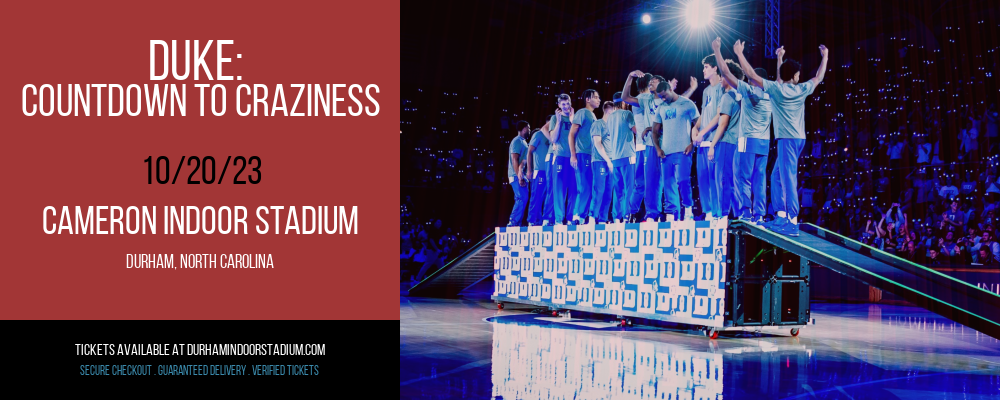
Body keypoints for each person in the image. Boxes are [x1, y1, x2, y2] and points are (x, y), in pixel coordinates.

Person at [735, 42, 829, 236]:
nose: (799, 76)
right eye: (797, 74)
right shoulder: (801, 89)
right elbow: (818, 77)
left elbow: (752, 75)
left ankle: (792, 221)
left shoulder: (776, 90)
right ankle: (781, 216)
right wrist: (825, 56)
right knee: (776, 176)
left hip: (787, 140)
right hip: (797, 139)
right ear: (794, 76)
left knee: (787, 179)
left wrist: (739, 54)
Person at [714, 38, 772, 225]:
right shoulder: (772, 94)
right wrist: (779, 60)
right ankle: (759, 214)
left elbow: (725, 72)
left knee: (742, 178)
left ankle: (746, 213)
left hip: (747, 141)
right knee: (760, 179)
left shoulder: (749, 90)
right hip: (764, 143)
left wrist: (717, 50)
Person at [702, 52, 744, 220]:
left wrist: (712, 145)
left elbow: (723, 123)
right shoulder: (740, 95)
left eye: (724, 75)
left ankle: (723, 215)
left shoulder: (728, 96)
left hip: (726, 143)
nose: (720, 78)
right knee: (734, 181)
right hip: (737, 143)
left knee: (723, 180)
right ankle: (739, 214)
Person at [650, 81, 700, 221]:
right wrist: (658, 149)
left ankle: (688, 210)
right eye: (661, 97)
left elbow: (699, 126)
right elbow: (654, 131)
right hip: (666, 152)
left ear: (671, 89)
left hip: (683, 150)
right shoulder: (661, 107)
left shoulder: (687, 104)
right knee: (668, 183)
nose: (663, 99)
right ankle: (672, 215)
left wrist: (692, 143)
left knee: (683, 181)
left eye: (664, 95)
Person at [623, 71, 662, 222]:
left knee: (640, 183)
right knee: (654, 181)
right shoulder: (647, 98)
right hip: (649, 145)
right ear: (648, 84)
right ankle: (653, 213)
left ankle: (631, 214)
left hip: (640, 146)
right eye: (652, 81)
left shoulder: (639, 98)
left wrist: (630, 77)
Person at [691, 55, 724, 220]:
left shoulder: (721, 87)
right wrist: (695, 129)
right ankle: (709, 213)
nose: (703, 70)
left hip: (714, 140)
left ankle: (719, 214)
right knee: (702, 179)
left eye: (706, 67)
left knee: (715, 180)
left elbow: (719, 116)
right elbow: (704, 115)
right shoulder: (706, 91)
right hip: (702, 142)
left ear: (715, 68)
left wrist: (703, 133)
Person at [540, 94, 577, 224]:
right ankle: (559, 220)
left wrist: (572, 120)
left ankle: (571, 219)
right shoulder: (556, 119)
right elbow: (553, 138)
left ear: (570, 103)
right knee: (559, 190)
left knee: (574, 189)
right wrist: (559, 121)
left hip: (574, 158)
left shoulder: (576, 117)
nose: (566, 107)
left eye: (567, 104)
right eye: (563, 104)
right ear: (559, 105)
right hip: (560, 157)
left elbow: (578, 135)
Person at [605, 95, 639, 222]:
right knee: (630, 188)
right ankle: (627, 216)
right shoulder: (627, 114)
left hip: (615, 157)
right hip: (628, 156)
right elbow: (636, 130)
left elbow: (609, 134)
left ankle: (616, 217)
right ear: (624, 102)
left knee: (618, 190)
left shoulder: (610, 118)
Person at [568, 90, 600, 224]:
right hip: (582, 154)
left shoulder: (593, 115)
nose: (599, 99)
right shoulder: (582, 112)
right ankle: (577, 216)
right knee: (584, 186)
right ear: (588, 99)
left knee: (590, 187)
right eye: (596, 97)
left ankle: (581, 217)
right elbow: (571, 134)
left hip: (592, 156)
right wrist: (573, 155)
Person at [590, 102, 614, 223]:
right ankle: (592, 217)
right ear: (608, 111)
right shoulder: (598, 124)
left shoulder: (613, 126)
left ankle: (603, 219)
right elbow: (598, 144)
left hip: (611, 162)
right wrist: (608, 161)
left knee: (608, 193)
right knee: (599, 191)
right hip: (600, 161)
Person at [526, 126, 553, 226]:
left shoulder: (554, 136)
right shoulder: (538, 134)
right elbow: (529, 151)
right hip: (540, 171)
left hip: (550, 170)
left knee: (549, 197)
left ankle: (544, 220)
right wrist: (529, 170)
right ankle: (531, 221)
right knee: (537, 196)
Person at [506, 121, 531, 226]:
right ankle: (513, 222)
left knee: (522, 198)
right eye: (529, 128)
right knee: (522, 198)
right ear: (524, 128)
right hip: (516, 175)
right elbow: (514, 159)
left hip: (520, 175)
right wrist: (519, 176)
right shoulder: (517, 141)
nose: (529, 130)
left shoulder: (523, 142)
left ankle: (516, 223)